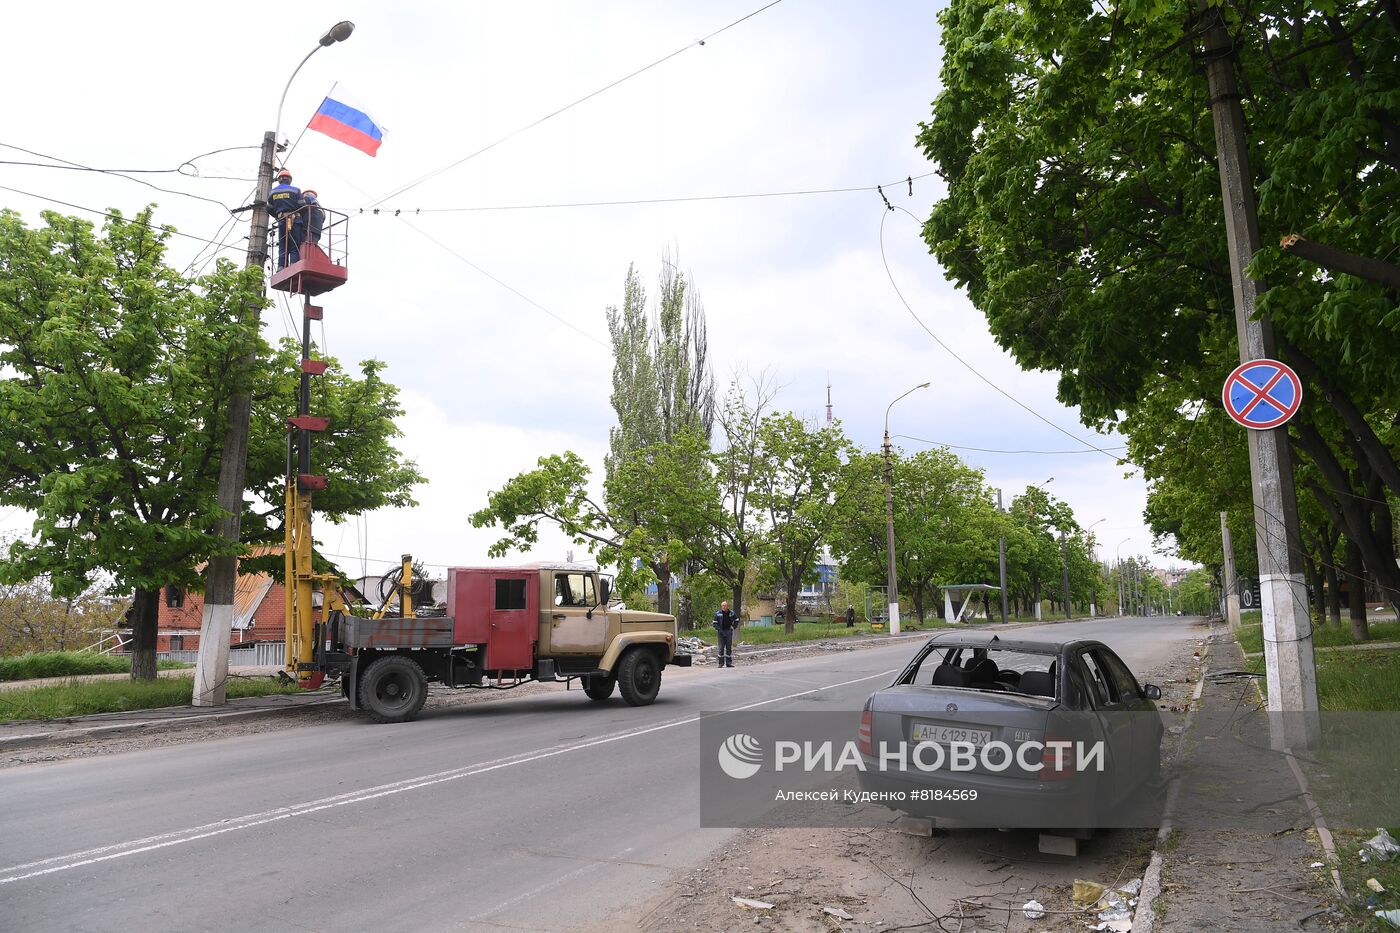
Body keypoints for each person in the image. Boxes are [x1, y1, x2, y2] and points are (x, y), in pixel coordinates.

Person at [268, 169, 302, 268]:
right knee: (294, 245)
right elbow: (302, 205)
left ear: (279, 180)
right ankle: (293, 265)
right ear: (290, 180)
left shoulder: (273, 192)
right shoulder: (296, 190)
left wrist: (277, 215)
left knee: (283, 245)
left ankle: (281, 266)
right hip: (294, 220)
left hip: (282, 220)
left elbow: (268, 208)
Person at [290, 189, 326, 264]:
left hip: (308, 228)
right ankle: (309, 261)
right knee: (312, 245)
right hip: (317, 231)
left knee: (305, 245)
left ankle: (304, 262)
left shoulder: (307, 200)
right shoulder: (320, 208)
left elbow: (298, 207)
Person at [712, 600, 740, 668]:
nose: (724, 607)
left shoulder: (732, 613)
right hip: (721, 632)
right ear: (721, 606)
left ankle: (728, 663)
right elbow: (714, 623)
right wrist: (719, 629)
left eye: (725, 605)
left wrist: (733, 626)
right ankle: (721, 663)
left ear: (727, 606)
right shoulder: (718, 613)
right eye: (722, 606)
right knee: (721, 648)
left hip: (728, 632)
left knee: (728, 647)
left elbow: (737, 620)